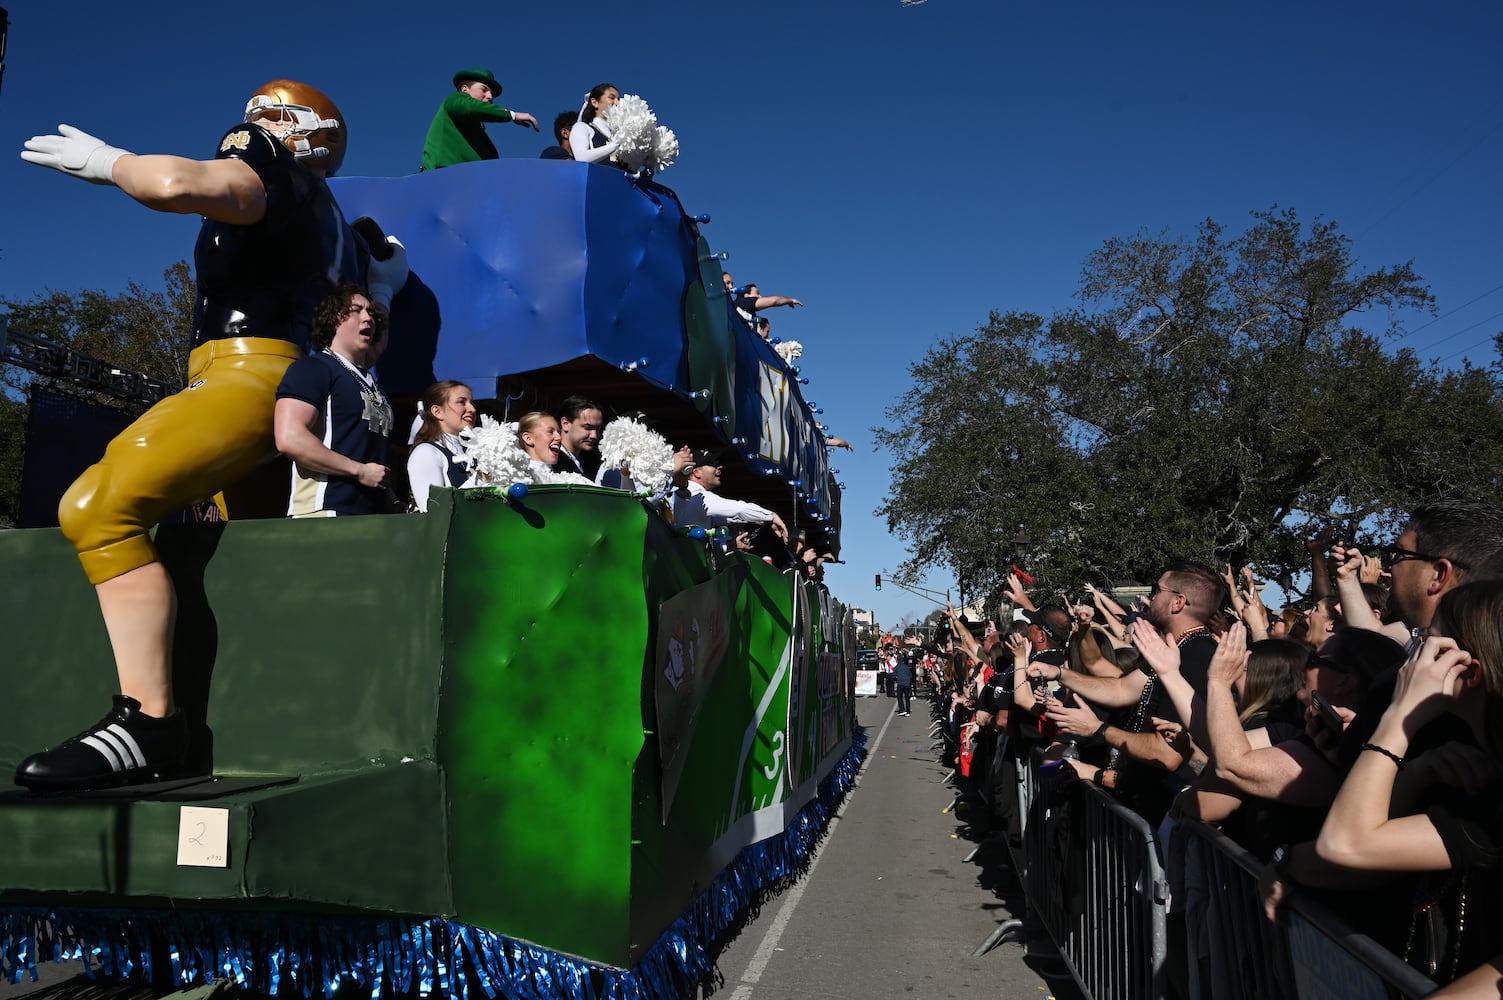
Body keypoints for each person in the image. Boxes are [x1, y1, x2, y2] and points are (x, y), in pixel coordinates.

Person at [12, 80, 406, 792]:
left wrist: (110, 161)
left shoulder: (271, 167)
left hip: (245, 376)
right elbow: (371, 297)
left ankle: (150, 722)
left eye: (272, 114)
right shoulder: (341, 230)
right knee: (236, 554)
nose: (258, 118)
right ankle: (269, 713)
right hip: (287, 382)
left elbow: (177, 183)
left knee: (98, 506)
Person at [274, 284, 397, 516]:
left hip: (374, 519)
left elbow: (371, 459)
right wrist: (359, 471)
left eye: (371, 312)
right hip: (326, 515)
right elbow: (289, 438)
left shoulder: (375, 387)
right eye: (356, 310)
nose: (367, 317)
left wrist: (392, 501)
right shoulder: (314, 368)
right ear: (334, 320)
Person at [420, 67, 540, 171]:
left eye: (492, 93)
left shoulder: (477, 125)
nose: (490, 96)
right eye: (484, 89)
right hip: (444, 178)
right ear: (464, 89)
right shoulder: (455, 100)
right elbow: (469, 108)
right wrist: (512, 115)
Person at [671, 449, 790, 542]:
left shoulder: (694, 495)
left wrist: (759, 518)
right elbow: (739, 509)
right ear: (696, 472)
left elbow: (727, 517)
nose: (720, 467)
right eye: (713, 463)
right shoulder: (697, 495)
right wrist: (771, 516)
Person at [407, 380, 480, 512]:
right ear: (437, 411)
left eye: (472, 403)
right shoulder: (426, 452)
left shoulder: (474, 452)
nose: (472, 409)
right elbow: (434, 511)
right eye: (461, 402)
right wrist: (481, 477)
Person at [568, 83, 621, 166]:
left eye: (619, 99)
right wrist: (616, 144)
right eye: (612, 98)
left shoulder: (617, 134)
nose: (617, 103)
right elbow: (581, 158)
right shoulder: (582, 127)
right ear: (594, 102)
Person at [554, 396, 604, 480]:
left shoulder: (589, 463)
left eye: (598, 429)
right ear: (565, 424)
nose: (594, 435)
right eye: (588, 427)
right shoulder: (552, 462)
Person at [517, 411, 562, 477]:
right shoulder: (519, 477)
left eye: (559, 433)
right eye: (550, 432)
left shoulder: (562, 477)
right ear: (528, 438)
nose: (559, 437)